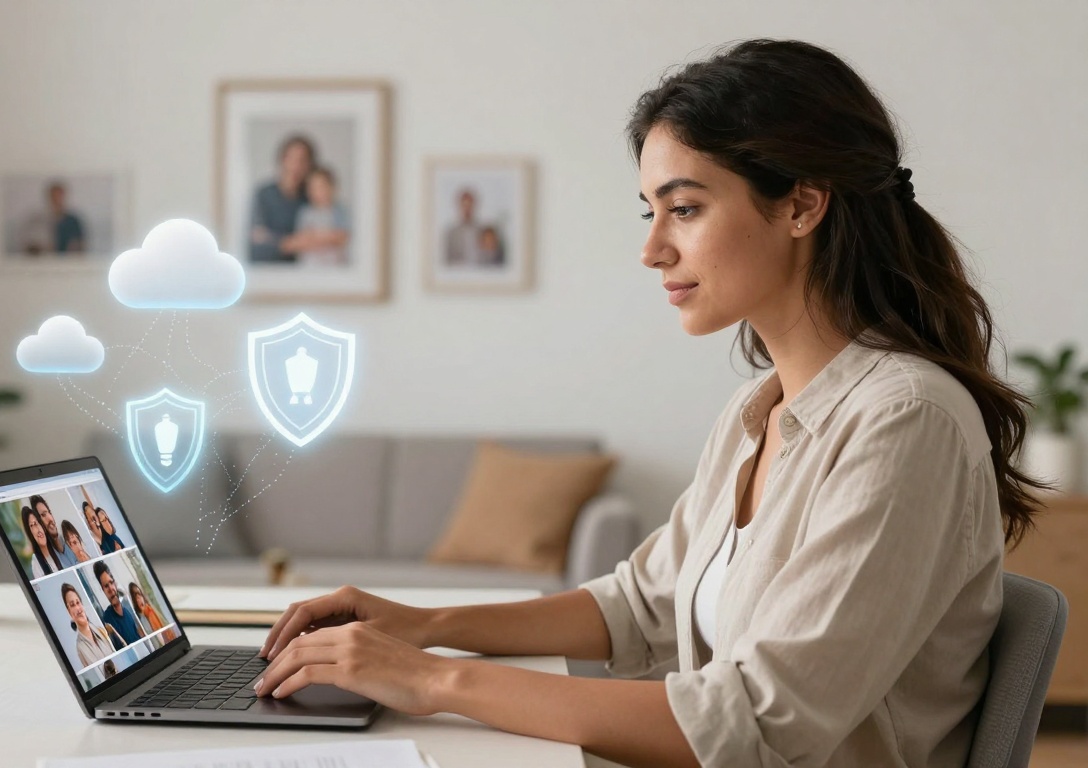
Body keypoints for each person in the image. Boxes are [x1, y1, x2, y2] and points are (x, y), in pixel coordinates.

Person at [247, 39, 1044, 767]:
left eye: (686, 208)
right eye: (651, 211)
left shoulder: (906, 421)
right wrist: (421, 626)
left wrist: (431, 681)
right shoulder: (757, 413)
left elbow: (761, 723)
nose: (652, 247)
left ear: (803, 205)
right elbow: (638, 605)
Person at [248, 135, 315, 263]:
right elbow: (257, 236)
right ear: (282, 160)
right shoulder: (264, 194)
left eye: (302, 160)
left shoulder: (311, 197)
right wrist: (294, 243)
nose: (296, 166)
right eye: (292, 159)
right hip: (269, 267)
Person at [291, 167, 351, 266]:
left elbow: (343, 237)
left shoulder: (340, 211)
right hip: (310, 265)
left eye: (321, 186)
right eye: (312, 188)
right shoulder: (305, 213)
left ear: (332, 187)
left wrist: (314, 238)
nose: (317, 191)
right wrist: (327, 238)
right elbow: (300, 240)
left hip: (334, 265)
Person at [19, 180, 86, 255]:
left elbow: (80, 246)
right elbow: (29, 246)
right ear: (49, 197)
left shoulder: (73, 221)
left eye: (59, 196)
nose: (56, 200)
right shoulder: (37, 220)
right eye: (54, 196)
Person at [62, 582, 115, 669]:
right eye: (72, 605)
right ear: (69, 612)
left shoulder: (101, 631)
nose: (78, 608)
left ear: (82, 605)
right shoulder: (81, 648)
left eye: (78, 602)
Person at [93, 560, 144, 646]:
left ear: (115, 584)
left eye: (111, 583)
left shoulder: (127, 611)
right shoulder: (108, 618)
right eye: (106, 586)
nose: (110, 589)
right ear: (103, 590)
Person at [32, 495, 78, 567]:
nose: (50, 518)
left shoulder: (67, 541)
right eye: (43, 515)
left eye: (49, 512)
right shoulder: (45, 558)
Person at [443, 189, 481, 266]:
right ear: (459, 206)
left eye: (469, 205)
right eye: (464, 205)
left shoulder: (482, 231)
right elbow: (447, 261)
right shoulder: (451, 233)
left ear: (474, 206)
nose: (467, 209)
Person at [22, 505, 60, 579]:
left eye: (37, 523)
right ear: (30, 534)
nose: (38, 529)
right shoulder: (36, 562)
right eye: (32, 525)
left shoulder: (57, 548)